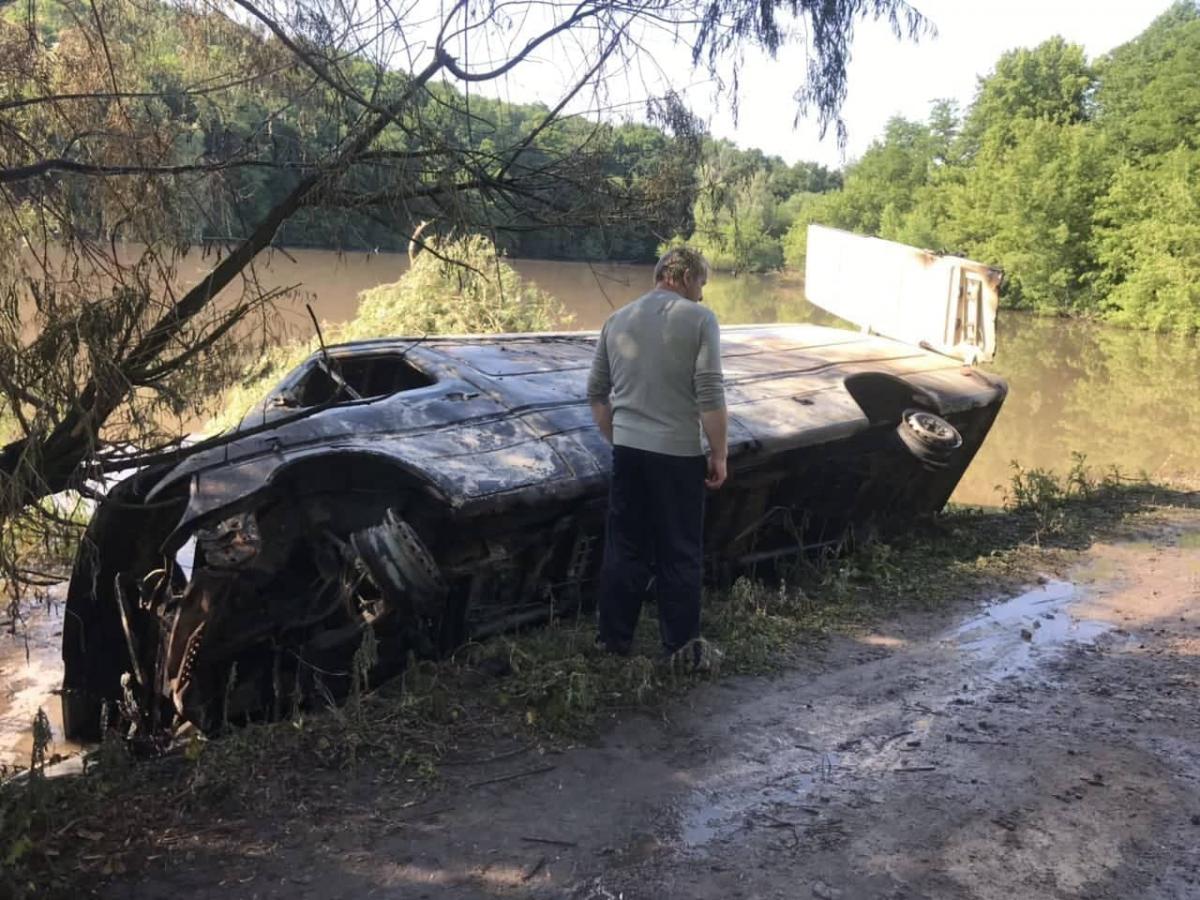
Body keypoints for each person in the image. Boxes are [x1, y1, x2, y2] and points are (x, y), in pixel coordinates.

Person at [586, 245, 727, 663]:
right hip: (679, 456)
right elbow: (710, 393)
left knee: (624, 547)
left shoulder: (617, 320)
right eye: (701, 283)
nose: (702, 294)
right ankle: (680, 647)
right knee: (679, 551)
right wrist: (719, 453)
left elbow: (596, 393)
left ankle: (612, 642)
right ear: (682, 277)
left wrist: (619, 437)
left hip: (629, 453)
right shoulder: (701, 319)